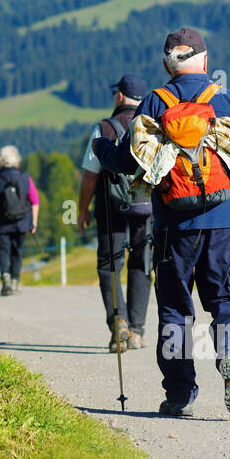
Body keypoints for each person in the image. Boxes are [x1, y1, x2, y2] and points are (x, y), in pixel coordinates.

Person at [98, 28, 230, 418]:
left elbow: (129, 164)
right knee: (227, 300)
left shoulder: (155, 104)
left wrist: (103, 149)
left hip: (173, 228)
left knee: (176, 310)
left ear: (166, 64)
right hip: (225, 223)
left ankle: (179, 394)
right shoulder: (229, 100)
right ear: (206, 62)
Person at [77, 75, 153, 353]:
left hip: (112, 208)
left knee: (110, 266)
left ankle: (117, 322)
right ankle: (137, 331)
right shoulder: (151, 125)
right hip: (147, 208)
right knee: (141, 265)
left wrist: (82, 210)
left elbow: (89, 176)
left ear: (120, 96)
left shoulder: (104, 128)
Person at [0, 145, 40, 296]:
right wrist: (33, 221)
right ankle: (15, 281)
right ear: (17, 160)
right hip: (21, 222)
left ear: (1, 161)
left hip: (0, 223)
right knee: (17, 251)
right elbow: (34, 200)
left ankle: (5, 278)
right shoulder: (24, 177)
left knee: (2, 251)